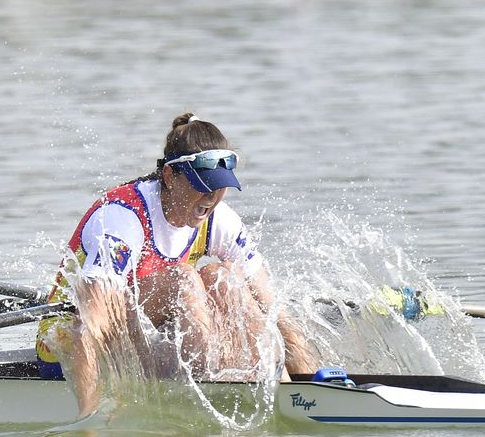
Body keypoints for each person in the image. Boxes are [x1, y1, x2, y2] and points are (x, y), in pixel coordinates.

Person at [36, 113, 313, 414]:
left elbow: (274, 313)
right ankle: (212, 389)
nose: (212, 196)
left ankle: (276, 387)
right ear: (169, 176)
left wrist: (313, 388)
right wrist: (88, 425)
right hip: (69, 350)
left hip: (144, 343)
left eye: (219, 185)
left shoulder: (218, 219)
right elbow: (90, 325)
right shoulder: (122, 219)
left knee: (225, 278)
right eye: (202, 184)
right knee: (184, 280)